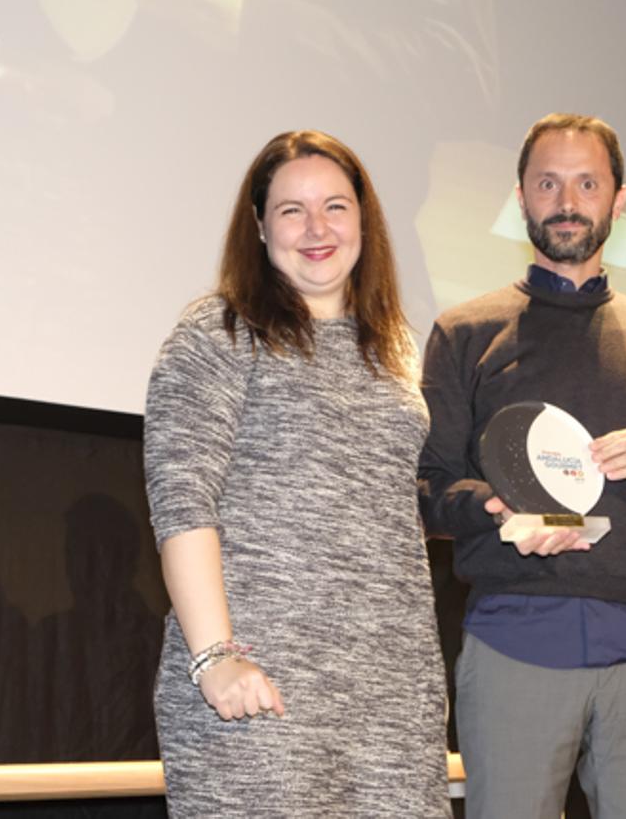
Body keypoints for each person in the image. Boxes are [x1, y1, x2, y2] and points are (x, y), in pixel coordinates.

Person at [418, 113, 626, 819]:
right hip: (514, 639)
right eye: (547, 183)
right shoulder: (465, 332)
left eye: (587, 183)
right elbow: (426, 488)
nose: (566, 201)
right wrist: (499, 511)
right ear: (521, 197)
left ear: (618, 200)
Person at [144, 130, 451, 817]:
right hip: (260, 689)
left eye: (335, 207)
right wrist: (214, 657)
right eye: (291, 210)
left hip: (390, 700)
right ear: (258, 227)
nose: (317, 228)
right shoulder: (218, 331)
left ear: (363, 221)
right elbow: (182, 499)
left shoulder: (395, 350)